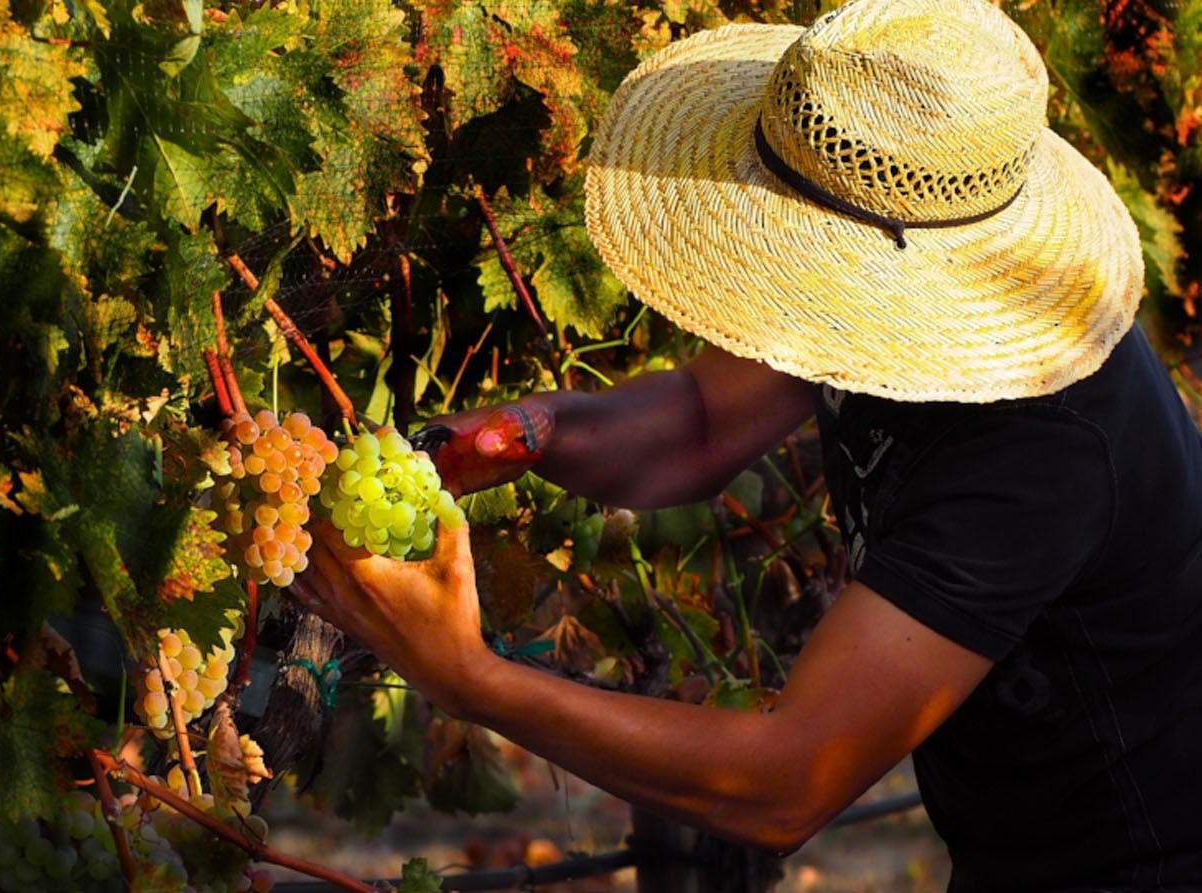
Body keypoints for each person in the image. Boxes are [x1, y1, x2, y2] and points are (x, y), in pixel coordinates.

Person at [290, 0, 1202, 889]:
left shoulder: (1041, 448)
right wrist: (537, 432)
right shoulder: (880, 296)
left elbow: (788, 778)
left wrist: (470, 678)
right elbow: (702, 419)